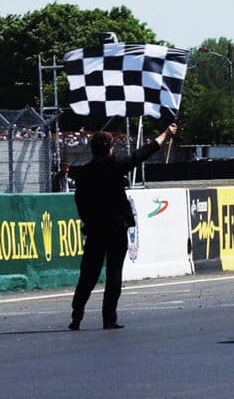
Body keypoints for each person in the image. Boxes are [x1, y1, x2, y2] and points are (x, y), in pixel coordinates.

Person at [68, 123, 178, 331]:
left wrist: (89, 221)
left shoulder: (84, 172)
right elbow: (142, 153)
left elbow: (79, 201)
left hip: (95, 230)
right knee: (114, 273)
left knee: (88, 274)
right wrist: (165, 134)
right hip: (116, 228)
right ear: (110, 148)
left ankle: (77, 314)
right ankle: (109, 318)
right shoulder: (115, 165)